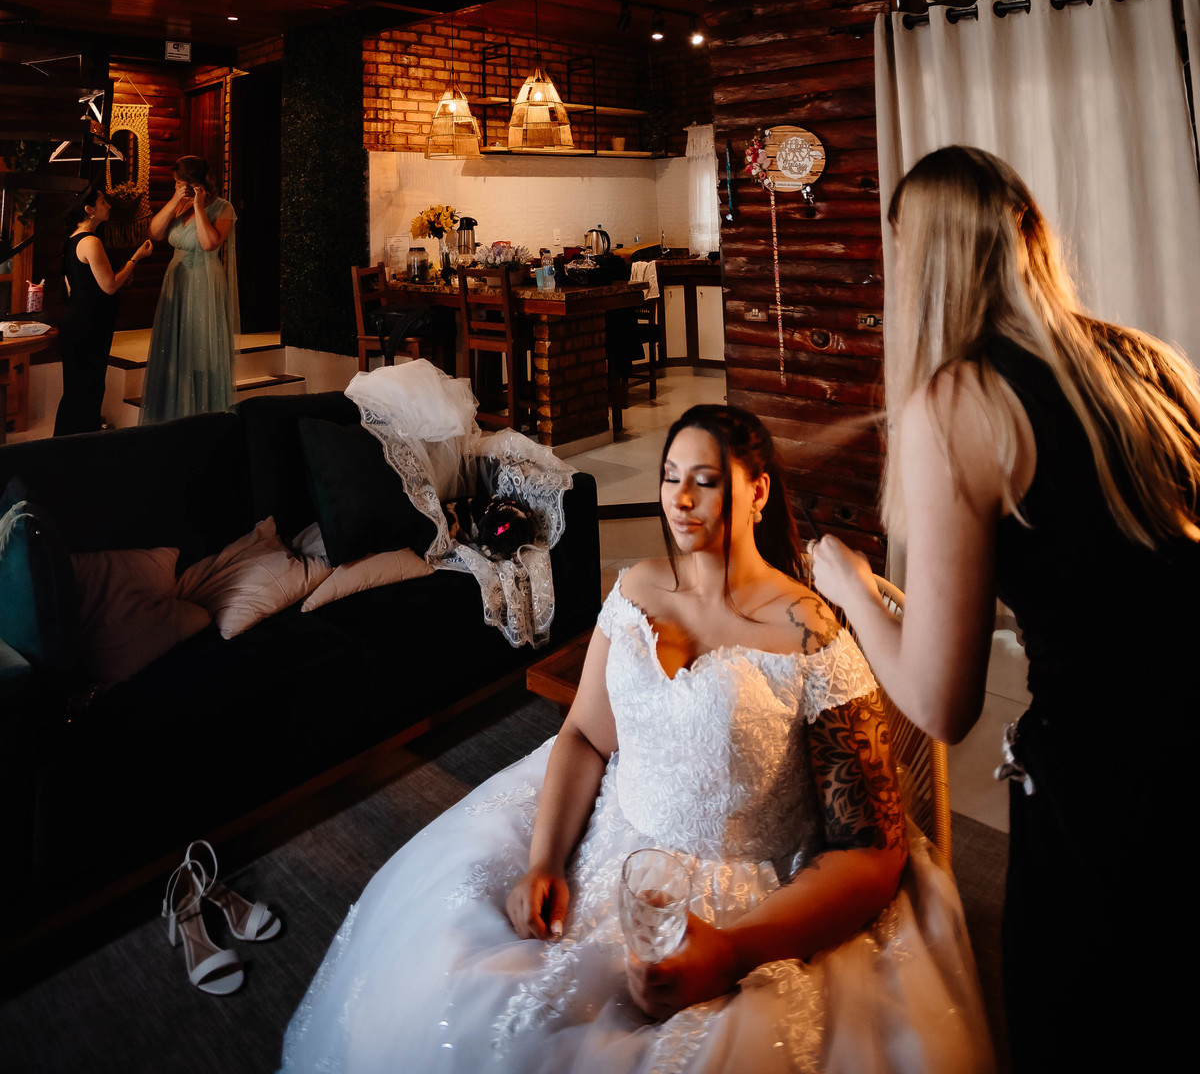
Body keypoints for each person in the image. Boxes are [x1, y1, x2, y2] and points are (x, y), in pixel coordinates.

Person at [282, 404, 992, 1073]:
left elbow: (871, 850)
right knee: (450, 986)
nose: (679, 500)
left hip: (746, 894)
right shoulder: (634, 592)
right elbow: (585, 737)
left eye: (705, 481)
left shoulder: (812, 634)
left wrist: (734, 951)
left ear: (757, 493)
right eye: (670, 477)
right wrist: (545, 862)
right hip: (610, 844)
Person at [811, 144, 1200, 1072]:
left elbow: (940, 704)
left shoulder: (959, 402)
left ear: (923, 258)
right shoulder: (1143, 360)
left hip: (1110, 789)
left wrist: (854, 587)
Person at [140, 155, 238, 425]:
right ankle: (173, 413)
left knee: (200, 346)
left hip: (204, 281)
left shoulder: (223, 208)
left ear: (193, 182)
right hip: (177, 280)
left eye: (179, 182)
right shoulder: (177, 204)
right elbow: (155, 233)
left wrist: (198, 206)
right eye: (176, 183)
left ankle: (204, 414)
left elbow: (209, 244)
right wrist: (175, 200)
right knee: (173, 346)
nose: (176, 186)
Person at [53, 185, 152, 435]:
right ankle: (81, 445)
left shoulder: (72, 239)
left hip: (78, 320)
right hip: (89, 324)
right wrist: (136, 258)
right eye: (103, 202)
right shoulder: (90, 241)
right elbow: (109, 286)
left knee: (77, 390)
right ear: (89, 209)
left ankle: (65, 444)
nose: (108, 205)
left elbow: (70, 286)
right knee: (88, 389)